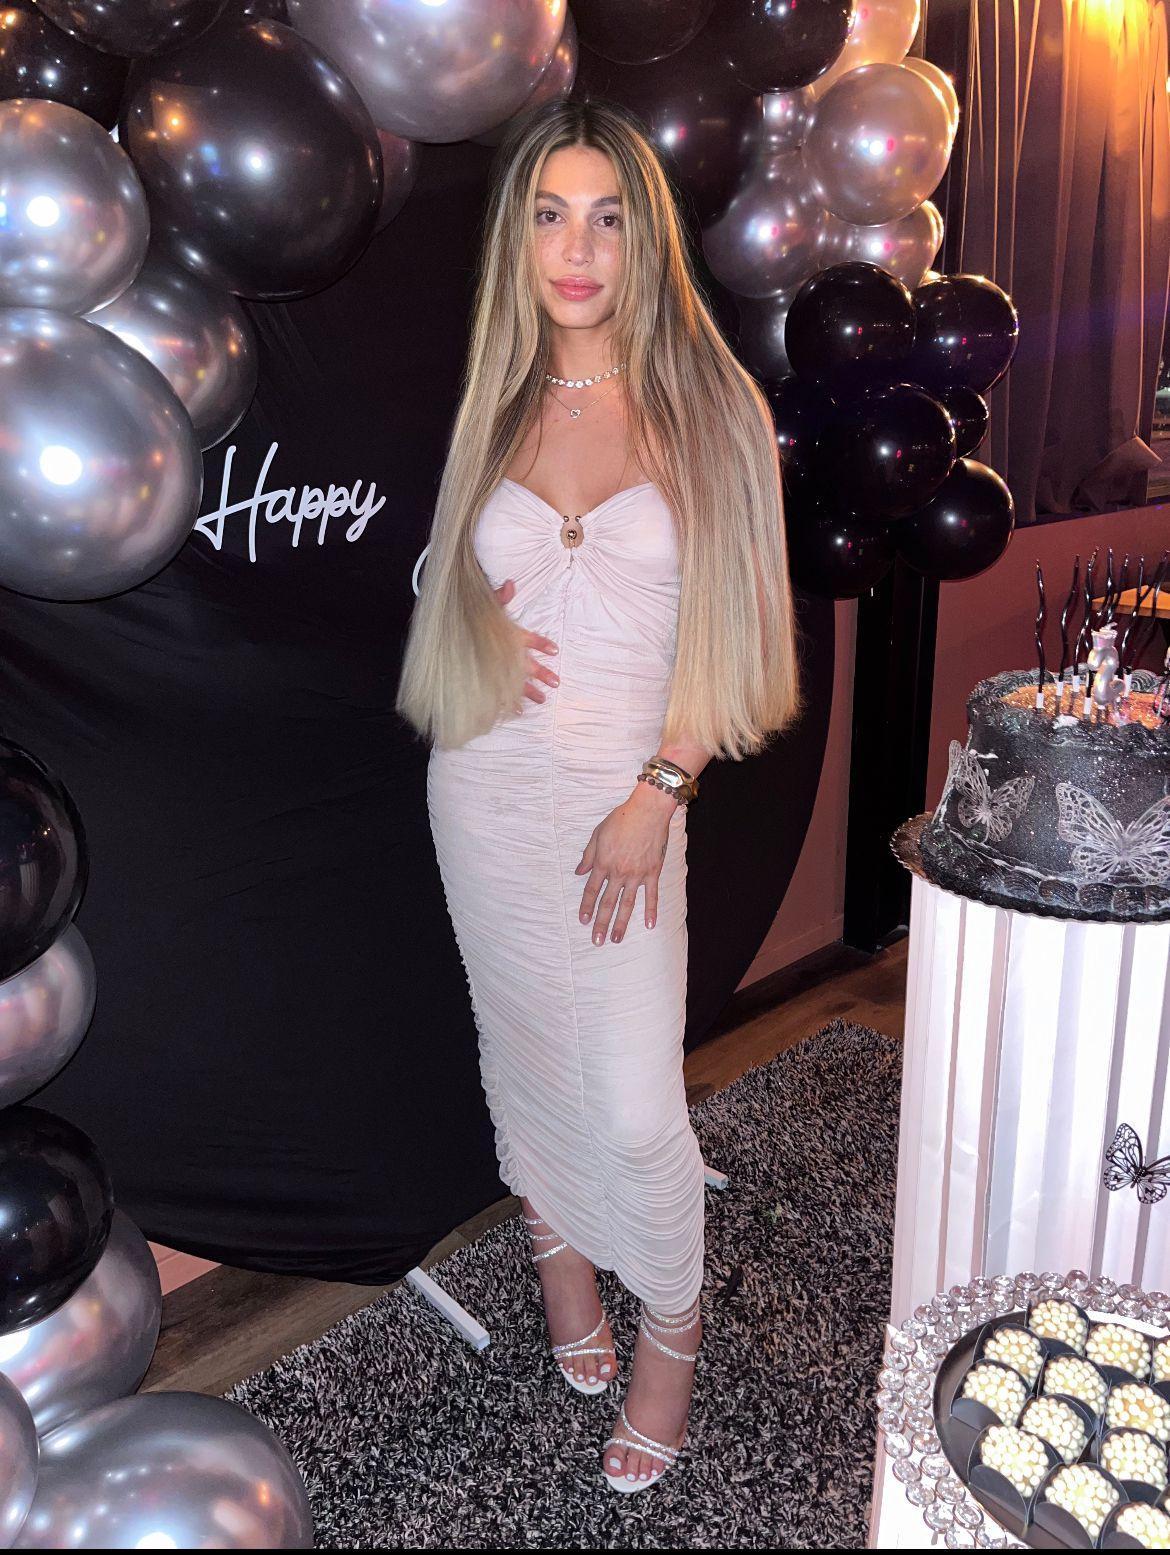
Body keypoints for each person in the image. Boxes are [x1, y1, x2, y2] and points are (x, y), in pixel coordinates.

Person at [396, 97, 799, 1494]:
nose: (576, 250)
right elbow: (445, 581)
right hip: (484, 793)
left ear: (647, 237)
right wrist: (475, 628)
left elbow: (735, 629)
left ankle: (672, 1334)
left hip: (629, 803)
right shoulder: (497, 396)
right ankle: (558, 1256)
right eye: (549, 216)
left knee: (632, 1102)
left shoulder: (711, 403)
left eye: (607, 217)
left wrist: (660, 790)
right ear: (518, 239)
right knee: (517, 1049)